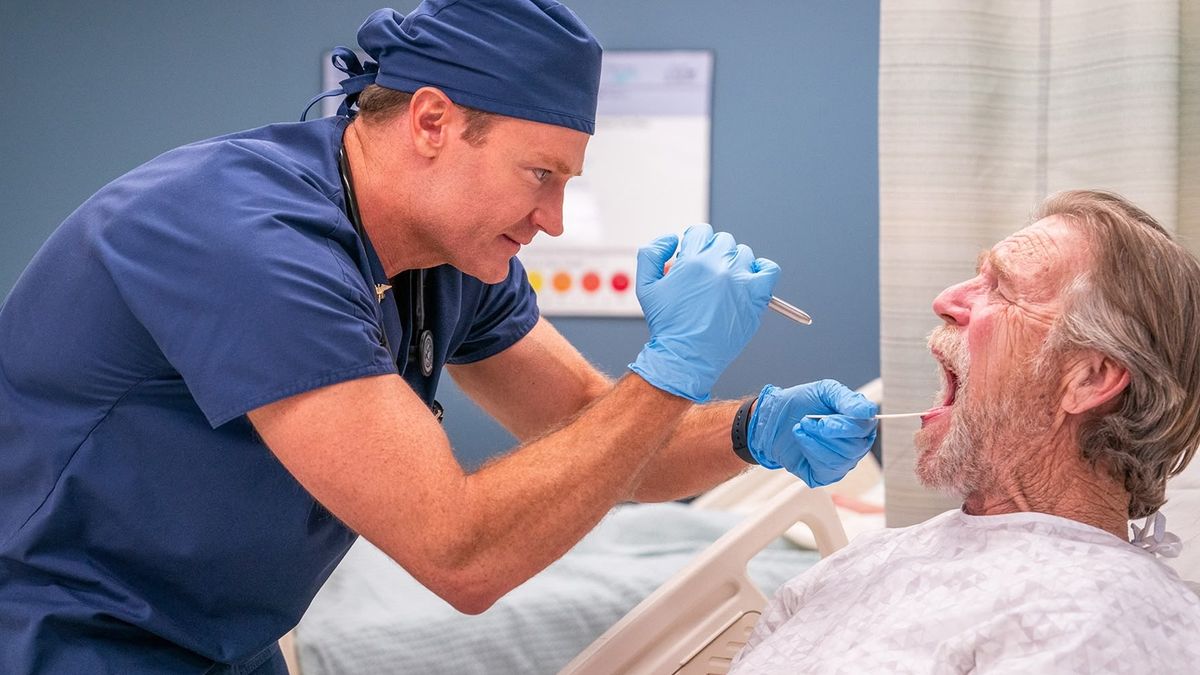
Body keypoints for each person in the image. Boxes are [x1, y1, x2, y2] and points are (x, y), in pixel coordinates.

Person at [0, 2, 879, 672]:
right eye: (540, 175)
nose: (554, 218)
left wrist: (749, 429)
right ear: (430, 122)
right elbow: (461, 554)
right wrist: (670, 368)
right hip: (68, 634)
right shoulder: (243, 238)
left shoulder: (449, 258)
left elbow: (593, 432)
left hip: (228, 636)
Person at [730, 190, 1200, 673]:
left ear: (1089, 378)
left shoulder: (1100, 618)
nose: (946, 300)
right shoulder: (869, 560)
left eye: (999, 288)